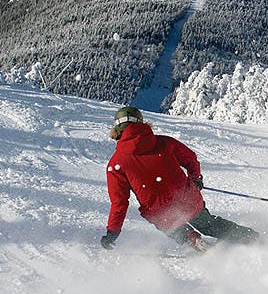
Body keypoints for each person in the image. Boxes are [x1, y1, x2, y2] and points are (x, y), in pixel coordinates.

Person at [101, 106, 259, 251]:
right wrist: (195, 178)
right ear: (142, 123)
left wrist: (112, 231)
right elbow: (190, 158)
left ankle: (192, 239)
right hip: (186, 198)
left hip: (159, 210)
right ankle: (251, 238)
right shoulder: (165, 142)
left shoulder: (116, 164)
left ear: (117, 129)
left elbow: (119, 203)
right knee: (209, 224)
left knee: (170, 225)